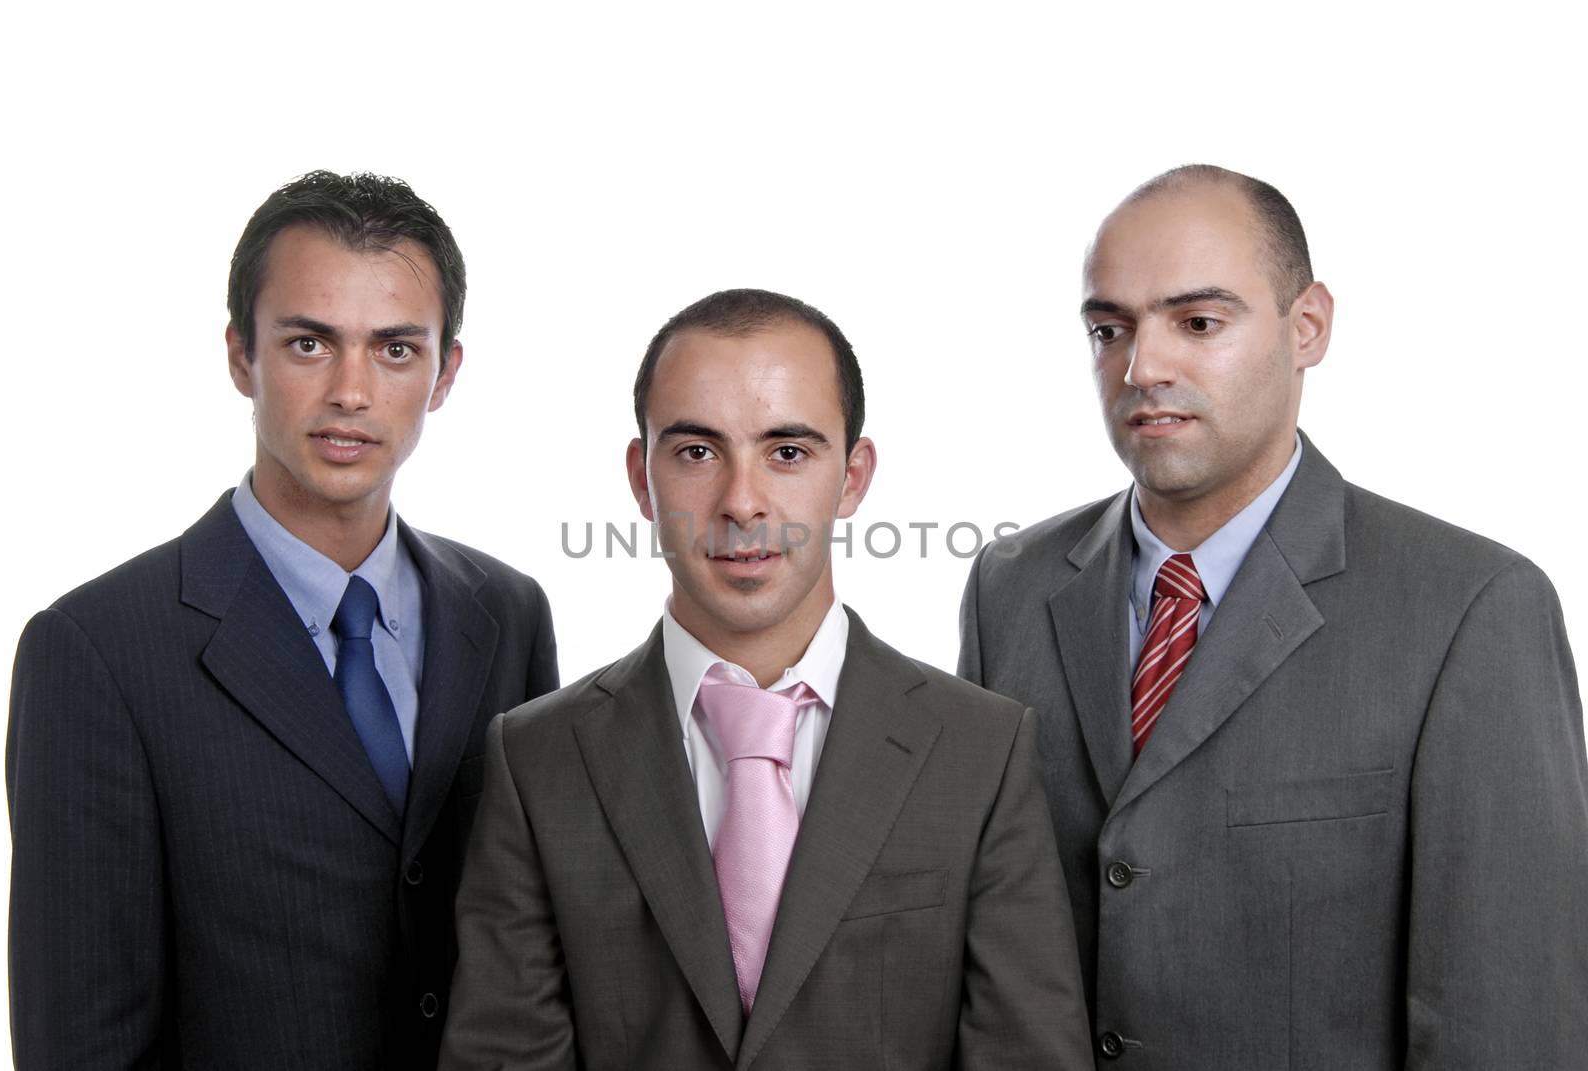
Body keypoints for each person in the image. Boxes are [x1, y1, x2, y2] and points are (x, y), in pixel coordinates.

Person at [959, 164, 1588, 1068]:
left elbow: (1512, 1019)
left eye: (1199, 322)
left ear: (1308, 327)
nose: (1143, 369)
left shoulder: (1472, 609)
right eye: (1110, 329)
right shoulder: (1008, 588)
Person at [440, 288, 1092, 1069]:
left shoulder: (980, 749)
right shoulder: (538, 758)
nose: (741, 502)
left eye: (787, 452)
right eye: (696, 452)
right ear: (641, 480)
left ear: (852, 477)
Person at [6, 170, 559, 1070]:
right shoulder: (98, 650)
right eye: (309, 344)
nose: (351, 390)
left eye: (394, 349)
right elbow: (79, 1038)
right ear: (241, 355)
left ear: (445, 371)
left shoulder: (505, 613)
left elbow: (538, 946)